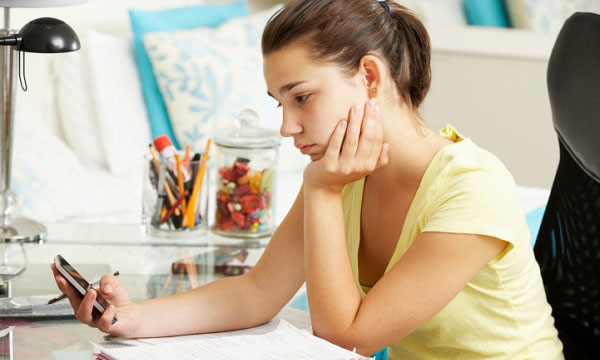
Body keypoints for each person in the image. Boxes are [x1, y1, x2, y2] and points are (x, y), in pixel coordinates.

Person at [51, 0, 564, 358]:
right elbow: (258, 292)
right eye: (280, 103)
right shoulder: (344, 174)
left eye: (302, 97)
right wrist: (136, 320)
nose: (286, 126)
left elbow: (345, 339)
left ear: (369, 77)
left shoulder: (471, 187)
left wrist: (321, 189)